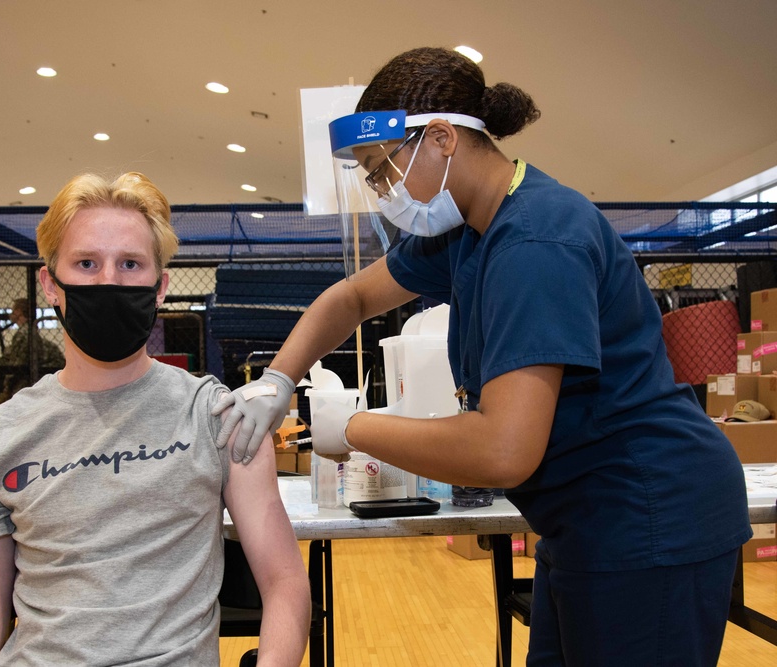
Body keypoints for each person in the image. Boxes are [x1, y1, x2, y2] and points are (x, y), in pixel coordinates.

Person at [216, 47, 752, 666]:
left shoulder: (535, 242)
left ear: (441, 138)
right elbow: (355, 295)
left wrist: (352, 428)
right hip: (584, 521)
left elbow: (504, 449)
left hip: (648, 517)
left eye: (383, 169)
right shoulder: (473, 229)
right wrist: (278, 380)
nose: (383, 191)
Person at [0, 172, 311, 666]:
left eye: (130, 263)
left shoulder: (217, 414)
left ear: (159, 287)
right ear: (50, 284)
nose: (108, 280)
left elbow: (284, 585)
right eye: (86, 263)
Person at [0, 297, 65, 404]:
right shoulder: (31, 331)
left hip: (26, 383)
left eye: (13, 310)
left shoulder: (23, 334)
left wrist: (7, 390)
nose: (11, 313)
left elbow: (17, 365)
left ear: (19, 311)